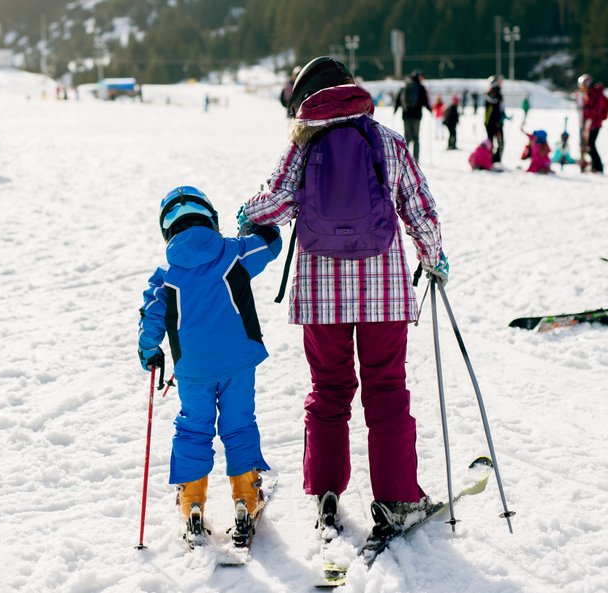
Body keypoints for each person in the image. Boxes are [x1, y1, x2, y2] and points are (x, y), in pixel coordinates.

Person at [239, 57, 446, 544]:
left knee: (329, 389)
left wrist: (247, 213)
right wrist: (434, 258)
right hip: (383, 291)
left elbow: (276, 204)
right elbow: (420, 207)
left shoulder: (303, 146)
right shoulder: (386, 139)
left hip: (320, 295)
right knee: (387, 389)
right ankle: (397, 499)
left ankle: (327, 490)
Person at [137, 185, 282, 547]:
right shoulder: (235, 252)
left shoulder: (166, 277)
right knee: (238, 424)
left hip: (193, 370)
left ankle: (192, 504)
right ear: (211, 219)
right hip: (238, 361)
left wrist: (149, 351)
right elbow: (271, 244)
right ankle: (245, 499)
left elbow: (151, 323)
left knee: (193, 429)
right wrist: (257, 226)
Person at [393, 70, 431, 161]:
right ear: (418, 77)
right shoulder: (420, 87)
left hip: (406, 115)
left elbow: (398, 99)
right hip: (417, 116)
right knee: (416, 138)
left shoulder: (404, 85)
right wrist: (430, 110)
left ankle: (406, 158)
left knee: (407, 138)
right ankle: (416, 158)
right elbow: (425, 101)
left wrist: (395, 110)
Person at [578, 74, 608, 174]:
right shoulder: (589, 94)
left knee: (591, 145)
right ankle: (595, 166)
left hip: (594, 124)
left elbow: (596, 111)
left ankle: (598, 166)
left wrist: (588, 116)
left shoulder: (596, 95)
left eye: (584, 86)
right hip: (589, 124)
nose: (583, 89)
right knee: (589, 145)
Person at [484, 75, 505, 164]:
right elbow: (494, 101)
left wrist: (504, 116)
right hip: (490, 123)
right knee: (491, 142)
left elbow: (501, 108)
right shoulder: (491, 94)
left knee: (500, 142)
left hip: (497, 123)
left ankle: (496, 159)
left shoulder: (498, 94)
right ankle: (490, 159)